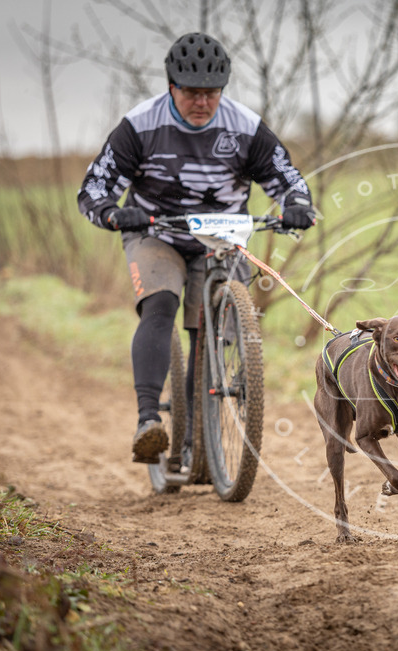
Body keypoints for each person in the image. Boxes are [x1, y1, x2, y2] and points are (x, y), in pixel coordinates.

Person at [77, 32, 316, 465]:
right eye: (191, 93)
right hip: (156, 231)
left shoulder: (245, 126)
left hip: (221, 237)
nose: (202, 102)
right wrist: (112, 213)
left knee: (204, 330)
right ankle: (149, 420)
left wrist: (297, 205)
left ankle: (194, 441)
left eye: (211, 93)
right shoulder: (140, 126)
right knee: (161, 302)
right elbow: (93, 189)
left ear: (222, 90)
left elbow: (288, 180)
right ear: (172, 87)